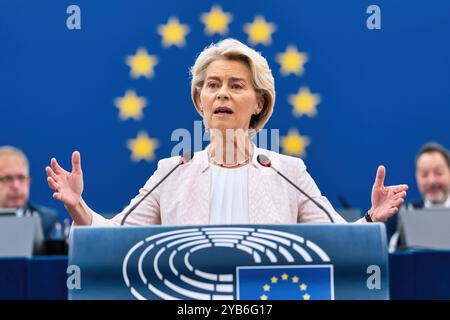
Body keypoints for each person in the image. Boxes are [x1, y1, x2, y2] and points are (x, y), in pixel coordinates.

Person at [45, 38, 408, 227]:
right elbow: (114, 238)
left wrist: (371, 218)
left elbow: (338, 241)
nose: (221, 93)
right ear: (200, 101)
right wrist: (78, 206)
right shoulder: (170, 172)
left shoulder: (288, 171)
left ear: (259, 104)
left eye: (236, 85)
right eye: (212, 85)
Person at [387, 142, 450, 250]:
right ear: (417, 177)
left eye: (438, 173)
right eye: (425, 174)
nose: (432, 181)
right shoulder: (399, 215)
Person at [0, 146, 59, 241]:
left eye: (21, 177)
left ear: (28, 182)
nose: (16, 186)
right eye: (7, 178)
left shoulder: (46, 221)